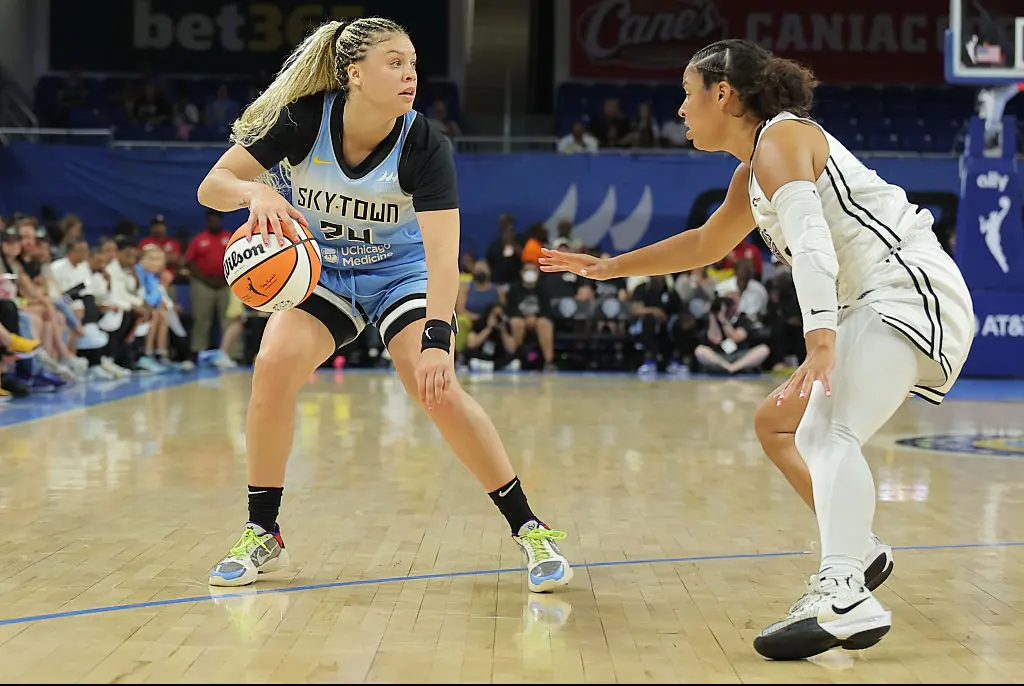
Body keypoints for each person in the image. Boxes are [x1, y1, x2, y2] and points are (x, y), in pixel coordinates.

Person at [539, 38, 974, 660]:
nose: (681, 110)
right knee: (777, 425)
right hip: (873, 301)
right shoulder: (754, 168)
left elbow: (813, 242)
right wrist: (608, 267)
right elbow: (703, 245)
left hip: (906, 288)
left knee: (827, 432)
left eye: (688, 95)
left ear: (724, 94)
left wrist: (820, 339)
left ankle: (845, 590)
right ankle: (861, 549)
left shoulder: (783, 140)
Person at [197, 17, 572, 593]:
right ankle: (262, 530)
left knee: (435, 389)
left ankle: (529, 527)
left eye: (414, 64)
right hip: (322, 271)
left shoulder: (423, 143)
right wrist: (256, 190)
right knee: (271, 369)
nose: (410, 74)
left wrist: (437, 344)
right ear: (355, 74)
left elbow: (445, 258)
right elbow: (213, 184)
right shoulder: (303, 119)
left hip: (402, 275)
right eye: (395, 62)